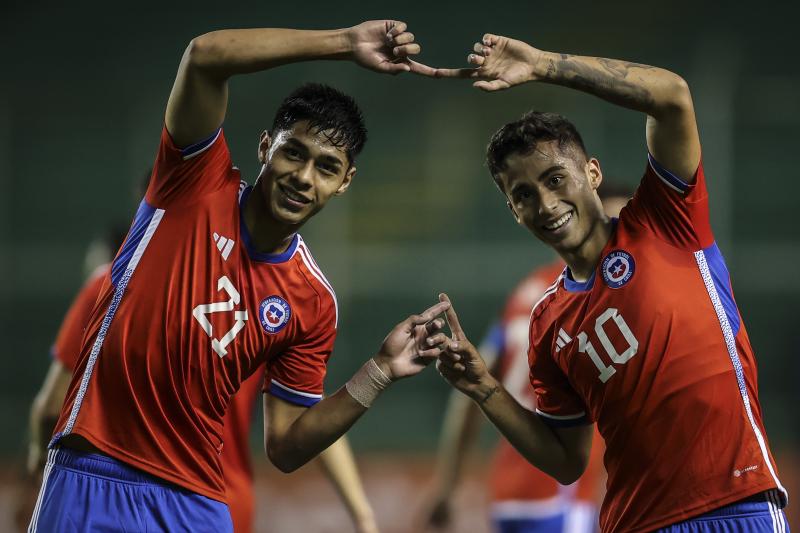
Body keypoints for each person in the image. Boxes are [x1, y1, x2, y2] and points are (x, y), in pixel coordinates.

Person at [29, 20, 449, 532]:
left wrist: (378, 372)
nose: (303, 177)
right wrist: (342, 43)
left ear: (344, 183)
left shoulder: (313, 301)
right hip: (93, 469)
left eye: (326, 166)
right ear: (265, 145)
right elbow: (205, 55)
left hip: (196, 503)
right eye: (293, 152)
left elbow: (287, 447)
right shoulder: (195, 179)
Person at [428, 34, 790, 532]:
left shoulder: (665, 219)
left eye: (556, 179)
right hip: (635, 522)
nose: (546, 204)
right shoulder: (546, 323)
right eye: (524, 195)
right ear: (514, 211)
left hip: (735, 502)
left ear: (592, 172)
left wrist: (542, 64)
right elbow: (565, 460)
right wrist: (482, 387)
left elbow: (672, 96)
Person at [26, 239, 379, 533]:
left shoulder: (113, 280)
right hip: (220, 499)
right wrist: (361, 512)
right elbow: (306, 414)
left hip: (117, 482)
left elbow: (51, 407)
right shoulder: (261, 302)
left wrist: (42, 464)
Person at [424, 191, 628, 533]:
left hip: (509, 494)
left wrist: (447, 484)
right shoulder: (596, 297)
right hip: (560, 495)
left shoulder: (527, 293)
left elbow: (470, 393)